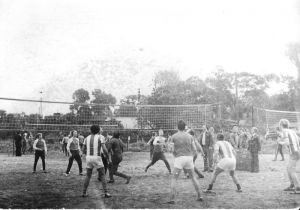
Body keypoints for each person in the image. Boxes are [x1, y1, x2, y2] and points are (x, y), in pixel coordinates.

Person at [169, 120, 203, 204]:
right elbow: (195, 150)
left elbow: (171, 150)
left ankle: (172, 199)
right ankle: (200, 195)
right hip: (189, 158)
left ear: (177, 127)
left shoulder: (174, 136)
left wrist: (175, 154)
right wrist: (191, 157)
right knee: (193, 178)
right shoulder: (190, 136)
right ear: (185, 127)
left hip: (179, 158)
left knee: (174, 178)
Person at [82, 125, 111, 198]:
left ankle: (84, 192)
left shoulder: (86, 138)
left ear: (90, 130)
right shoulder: (101, 137)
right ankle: (106, 193)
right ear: (98, 131)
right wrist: (108, 158)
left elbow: (83, 149)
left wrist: (86, 154)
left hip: (88, 157)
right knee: (102, 175)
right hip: (97, 157)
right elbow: (104, 149)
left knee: (88, 175)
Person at [278, 119, 300, 192]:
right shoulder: (292, 131)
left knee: (291, 169)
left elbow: (287, 142)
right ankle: (292, 184)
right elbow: (298, 139)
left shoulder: (284, 131)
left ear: (281, 125)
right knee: (288, 168)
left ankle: (297, 187)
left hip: (294, 152)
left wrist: (281, 142)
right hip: (296, 151)